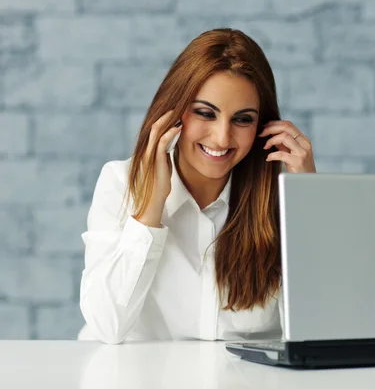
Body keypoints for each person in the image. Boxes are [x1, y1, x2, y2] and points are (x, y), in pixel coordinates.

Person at [77, 28, 316, 344]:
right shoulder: (121, 183)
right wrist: (150, 209)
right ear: (174, 113)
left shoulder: (279, 199)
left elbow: (317, 329)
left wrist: (309, 203)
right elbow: (107, 325)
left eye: (242, 119)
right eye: (206, 113)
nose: (221, 138)